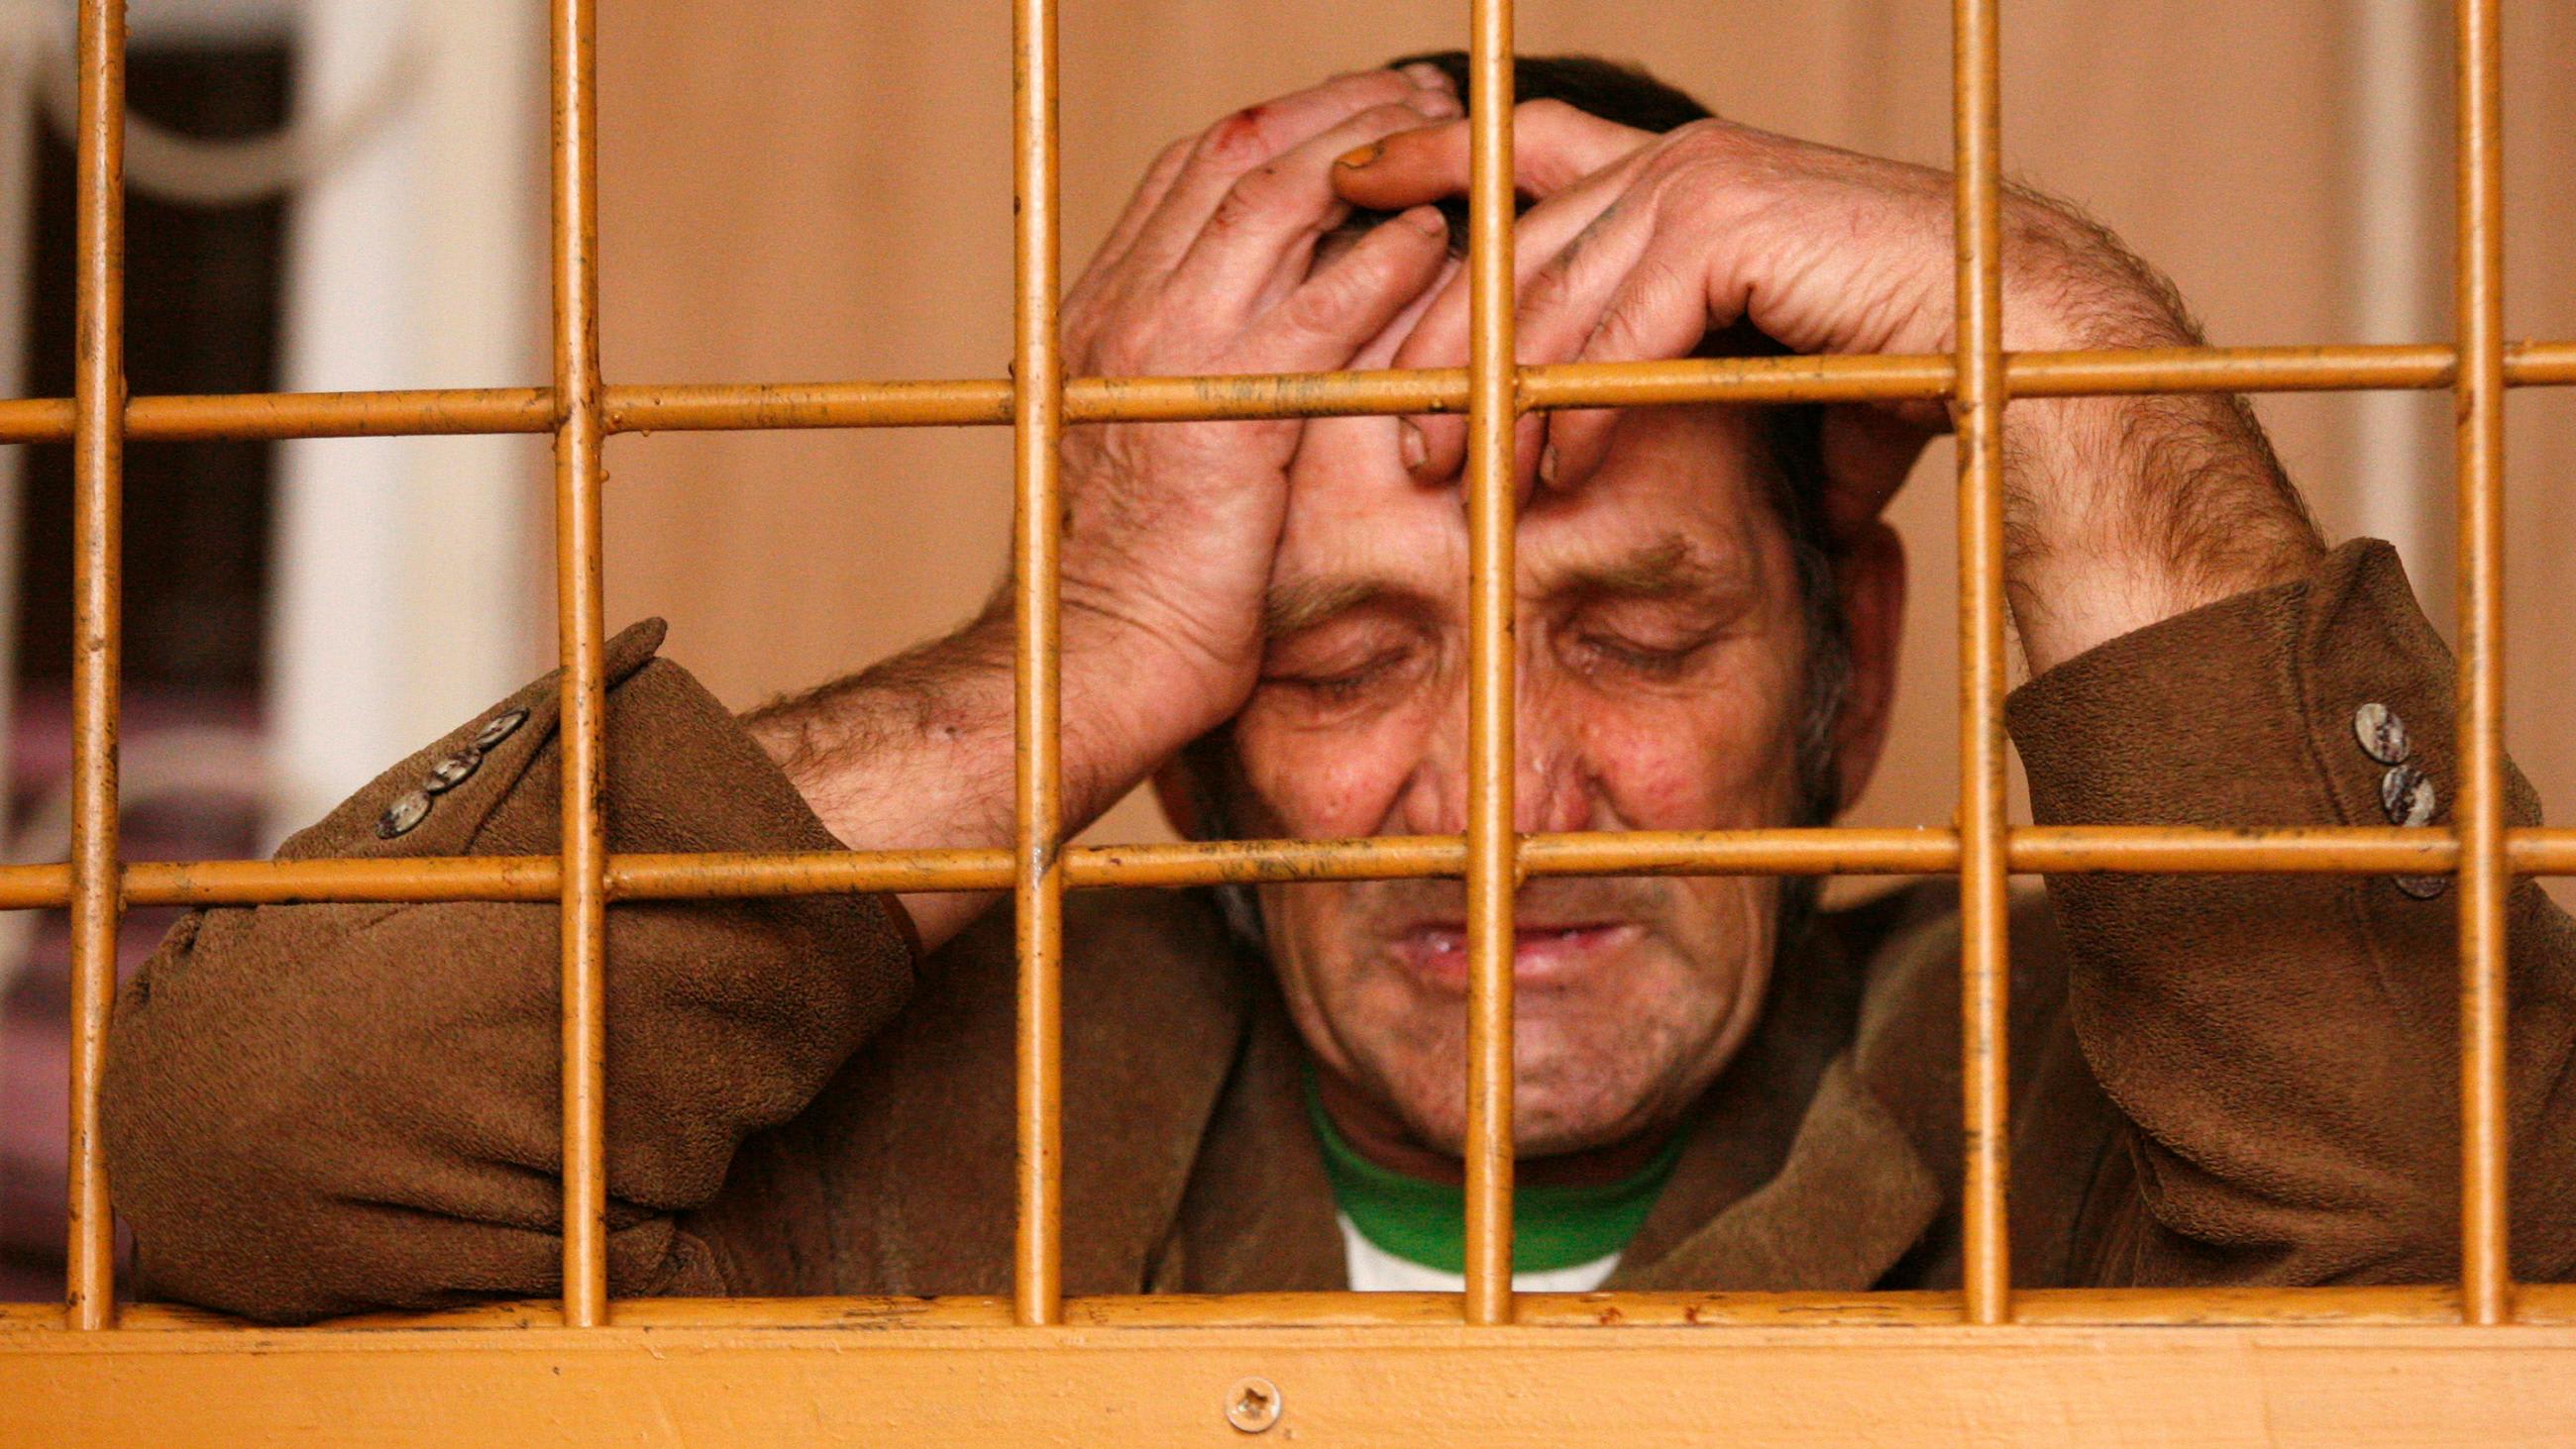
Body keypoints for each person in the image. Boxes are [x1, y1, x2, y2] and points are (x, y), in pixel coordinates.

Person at [104, 53, 2575, 1321]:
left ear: (1847, 692)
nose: (1491, 796)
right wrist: (1047, 660)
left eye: (1630, 637)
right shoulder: (913, 1137)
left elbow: (2485, 1209)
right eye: (1336, 661)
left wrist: (2077, 346)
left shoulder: (2101, 1096)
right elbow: (240, 1140)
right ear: (1184, 750)